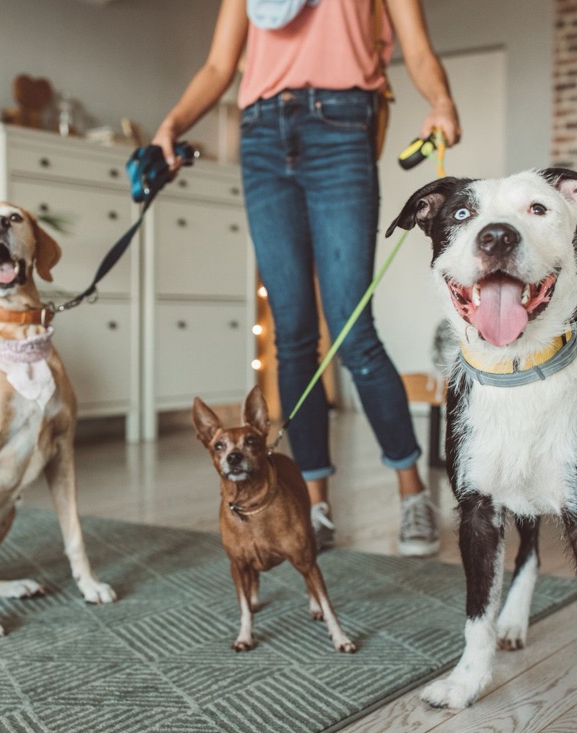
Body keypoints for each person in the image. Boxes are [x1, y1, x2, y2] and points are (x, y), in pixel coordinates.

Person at [152, 0, 461, 556]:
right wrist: (172, 124)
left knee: (353, 331)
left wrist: (440, 102)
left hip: (342, 124)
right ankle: (314, 505)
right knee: (292, 338)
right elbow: (220, 66)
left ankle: (412, 495)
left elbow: (416, 49)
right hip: (261, 134)